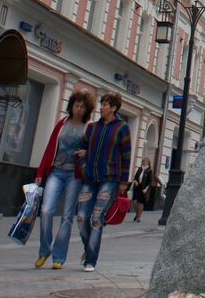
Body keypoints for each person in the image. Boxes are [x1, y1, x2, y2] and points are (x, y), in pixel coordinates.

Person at [32, 88, 93, 269]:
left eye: (82, 106)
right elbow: (50, 148)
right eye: (76, 105)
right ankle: (44, 250)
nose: (79, 109)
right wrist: (40, 173)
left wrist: (87, 152)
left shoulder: (88, 128)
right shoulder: (62, 124)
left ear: (86, 109)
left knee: (67, 216)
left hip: (74, 176)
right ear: (71, 106)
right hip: (56, 172)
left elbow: (93, 151)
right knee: (46, 211)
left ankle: (59, 257)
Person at [74, 92, 132, 272]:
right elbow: (81, 148)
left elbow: (126, 156)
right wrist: (83, 166)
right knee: (82, 216)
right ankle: (89, 247)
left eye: (105, 104)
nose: (102, 107)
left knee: (96, 217)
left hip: (110, 179)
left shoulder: (122, 128)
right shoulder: (92, 128)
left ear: (114, 108)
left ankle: (90, 260)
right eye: (102, 104)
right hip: (89, 177)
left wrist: (123, 182)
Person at [130, 156, 156, 222]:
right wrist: (135, 181)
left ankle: (138, 217)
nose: (144, 162)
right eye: (143, 161)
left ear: (148, 163)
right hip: (137, 187)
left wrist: (146, 189)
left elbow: (150, 182)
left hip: (144, 189)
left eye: (146, 161)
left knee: (140, 202)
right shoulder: (139, 169)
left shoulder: (149, 171)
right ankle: (137, 214)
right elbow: (135, 177)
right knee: (134, 202)